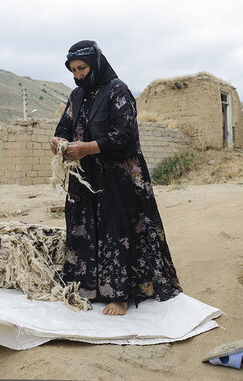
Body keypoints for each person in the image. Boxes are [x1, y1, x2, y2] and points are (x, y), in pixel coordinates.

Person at [50, 40, 182, 316]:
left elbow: (125, 135)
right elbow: (64, 125)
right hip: (85, 178)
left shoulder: (117, 90)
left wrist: (88, 148)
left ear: (95, 64)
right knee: (82, 227)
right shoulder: (77, 96)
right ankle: (86, 288)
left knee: (115, 230)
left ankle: (120, 295)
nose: (77, 75)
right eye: (73, 70)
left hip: (117, 178)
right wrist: (60, 140)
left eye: (81, 68)